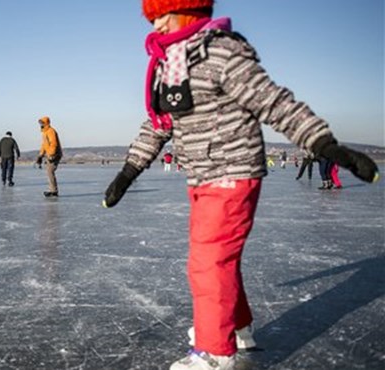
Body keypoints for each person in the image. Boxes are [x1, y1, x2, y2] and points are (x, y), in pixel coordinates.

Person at [102, 1, 380, 369]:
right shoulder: (170, 64)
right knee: (219, 260)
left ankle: (216, 352)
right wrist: (128, 170)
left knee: (208, 261)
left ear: (187, 11)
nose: (157, 25)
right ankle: (237, 328)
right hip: (201, 175)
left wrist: (323, 143)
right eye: (152, 18)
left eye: (163, 15)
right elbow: (158, 123)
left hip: (233, 171)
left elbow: (273, 102)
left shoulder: (220, 51)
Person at [36, 116, 62, 197]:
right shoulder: (45, 132)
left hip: (54, 155)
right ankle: (52, 190)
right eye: (40, 123)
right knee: (49, 172)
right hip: (49, 155)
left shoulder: (51, 131)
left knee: (50, 171)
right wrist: (40, 155)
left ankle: (54, 191)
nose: (41, 125)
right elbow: (44, 145)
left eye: (42, 123)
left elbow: (53, 144)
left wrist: (51, 154)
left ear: (46, 123)